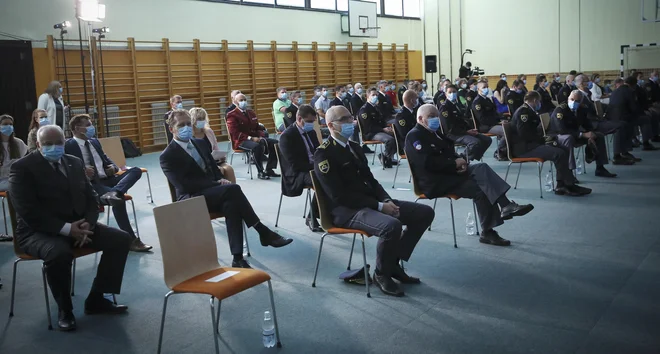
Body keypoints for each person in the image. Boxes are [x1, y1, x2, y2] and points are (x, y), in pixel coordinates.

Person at [10, 124, 132, 331]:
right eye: (48, 144)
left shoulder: (74, 163)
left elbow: (92, 199)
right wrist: (67, 229)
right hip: (38, 232)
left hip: (80, 226)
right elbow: (28, 212)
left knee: (121, 239)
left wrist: (88, 224)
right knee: (58, 253)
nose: (54, 147)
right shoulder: (22, 168)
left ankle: (97, 298)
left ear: (65, 142)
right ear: (38, 145)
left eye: (58, 143)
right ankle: (65, 309)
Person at [313, 105, 434, 297]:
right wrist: (380, 206)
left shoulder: (353, 147)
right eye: (343, 120)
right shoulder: (323, 154)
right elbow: (338, 196)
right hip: (346, 211)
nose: (350, 122)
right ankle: (381, 274)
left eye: (350, 117)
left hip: (370, 202)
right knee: (391, 226)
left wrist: (386, 200)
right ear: (330, 125)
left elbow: (371, 180)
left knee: (424, 213)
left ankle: (392, 263)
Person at [161, 109, 293, 268]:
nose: (187, 127)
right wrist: (217, 184)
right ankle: (262, 231)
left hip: (213, 193)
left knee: (232, 204)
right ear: (172, 129)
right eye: (181, 125)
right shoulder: (167, 156)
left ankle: (238, 258)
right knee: (233, 190)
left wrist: (220, 178)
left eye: (189, 124)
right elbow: (184, 185)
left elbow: (213, 168)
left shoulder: (200, 143)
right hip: (191, 198)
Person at [406, 104, 533, 246]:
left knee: (481, 168)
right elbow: (427, 164)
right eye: (431, 116)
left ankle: (504, 208)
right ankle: (491, 227)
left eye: (436, 116)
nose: (436, 119)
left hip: (449, 174)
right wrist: (454, 164)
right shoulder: (415, 136)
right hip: (435, 181)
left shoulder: (434, 133)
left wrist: (461, 162)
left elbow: (449, 152)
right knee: (481, 188)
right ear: (420, 118)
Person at [64, 114, 151, 252]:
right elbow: (66, 170)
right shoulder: (69, 145)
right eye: (87, 125)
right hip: (93, 184)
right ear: (77, 128)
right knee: (119, 200)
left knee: (135, 171)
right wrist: (82, 173)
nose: (91, 127)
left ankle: (115, 191)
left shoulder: (94, 142)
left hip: (109, 179)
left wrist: (113, 167)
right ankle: (131, 240)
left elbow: (107, 159)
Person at [510, 91, 591, 196]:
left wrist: (545, 139)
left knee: (562, 150)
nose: (540, 103)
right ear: (535, 100)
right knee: (559, 153)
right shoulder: (523, 113)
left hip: (530, 145)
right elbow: (524, 135)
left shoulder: (527, 110)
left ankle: (563, 184)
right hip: (525, 148)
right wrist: (544, 140)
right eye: (539, 101)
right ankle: (567, 185)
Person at [549, 91, 616, 178]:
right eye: (572, 99)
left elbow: (587, 124)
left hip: (575, 134)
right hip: (560, 136)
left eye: (577, 101)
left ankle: (600, 168)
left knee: (598, 135)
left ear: (581, 102)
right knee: (568, 139)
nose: (573, 102)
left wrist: (590, 134)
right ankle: (569, 174)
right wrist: (583, 135)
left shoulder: (582, 109)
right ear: (568, 98)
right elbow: (562, 130)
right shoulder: (561, 110)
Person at [278, 104, 321, 232]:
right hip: (297, 173)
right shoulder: (287, 136)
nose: (311, 124)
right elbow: (295, 165)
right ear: (299, 118)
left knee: (336, 174)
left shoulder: (311, 132)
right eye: (308, 121)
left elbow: (318, 152)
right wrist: (317, 166)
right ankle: (312, 217)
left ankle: (327, 212)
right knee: (323, 180)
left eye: (313, 121)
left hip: (312, 167)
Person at [226, 94, 280, 180]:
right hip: (241, 141)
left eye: (244, 99)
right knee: (257, 147)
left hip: (256, 138)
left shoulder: (251, 112)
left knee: (275, 143)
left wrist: (261, 135)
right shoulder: (232, 115)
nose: (243, 102)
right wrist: (250, 138)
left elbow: (257, 127)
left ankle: (269, 169)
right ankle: (260, 172)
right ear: (235, 102)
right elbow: (234, 133)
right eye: (241, 100)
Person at [439, 86, 492, 161]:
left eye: (454, 92)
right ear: (445, 94)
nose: (452, 94)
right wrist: (466, 132)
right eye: (450, 92)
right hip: (453, 134)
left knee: (487, 139)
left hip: (463, 131)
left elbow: (462, 121)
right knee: (474, 142)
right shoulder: (445, 107)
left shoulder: (456, 105)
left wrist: (471, 130)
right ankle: (462, 159)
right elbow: (449, 128)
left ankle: (470, 158)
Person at [189, 107, 236, 184]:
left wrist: (221, 157)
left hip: (215, 160)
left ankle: (233, 190)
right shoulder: (190, 135)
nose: (201, 121)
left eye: (203, 118)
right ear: (193, 120)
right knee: (219, 170)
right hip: (203, 164)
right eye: (199, 119)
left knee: (229, 169)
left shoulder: (209, 131)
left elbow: (216, 148)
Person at [0, 115, 27, 241]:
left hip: (14, 178)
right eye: (5, 124)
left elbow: (22, 164)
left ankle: (24, 223)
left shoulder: (18, 143)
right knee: (16, 187)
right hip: (2, 180)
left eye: (10, 124)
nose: (8, 127)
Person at [358, 88, 398, 167]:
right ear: (367, 96)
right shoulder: (364, 110)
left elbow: (382, 121)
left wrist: (387, 128)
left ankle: (387, 156)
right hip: (371, 133)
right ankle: (386, 158)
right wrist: (383, 129)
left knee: (396, 135)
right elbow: (368, 127)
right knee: (390, 140)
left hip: (380, 130)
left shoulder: (376, 107)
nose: (375, 97)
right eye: (373, 95)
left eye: (376, 95)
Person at [471, 80, 506, 156]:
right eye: (484, 87)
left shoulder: (487, 99)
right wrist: (498, 123)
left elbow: (494, 113)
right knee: (506, 131)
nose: (486, 89)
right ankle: (499, 152)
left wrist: (502, 119)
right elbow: (482, 119)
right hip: (485, 126)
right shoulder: (477, 102)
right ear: (478, 89)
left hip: (493, 123)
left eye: (487, 87)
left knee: (510, 126)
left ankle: (506, 151)